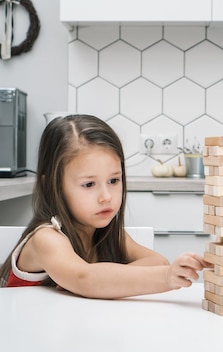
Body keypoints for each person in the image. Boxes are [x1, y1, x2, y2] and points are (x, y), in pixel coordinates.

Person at [0, 115, 210, 298]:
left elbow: (158, 262)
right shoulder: (46, 239)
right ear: (51, 186)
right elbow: (85, 278)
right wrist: (163, 278)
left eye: (114, 181)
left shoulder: (107, 234)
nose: (106, 197)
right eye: (89, 184)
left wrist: (105, 281)